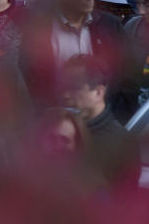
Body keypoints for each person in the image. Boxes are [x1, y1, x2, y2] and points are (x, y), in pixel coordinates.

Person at [18, 0, 134, 120]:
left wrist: (114, 121)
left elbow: (128, 79)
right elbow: (30, 84)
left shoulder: (110, 27)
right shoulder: (38, 33)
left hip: (104, 126)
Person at [59, 54, 141, 187]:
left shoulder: (122, 143)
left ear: (98, 92)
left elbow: (124, 200)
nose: (65, 95)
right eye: (63, 87)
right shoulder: (56, 132)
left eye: (74, 88)